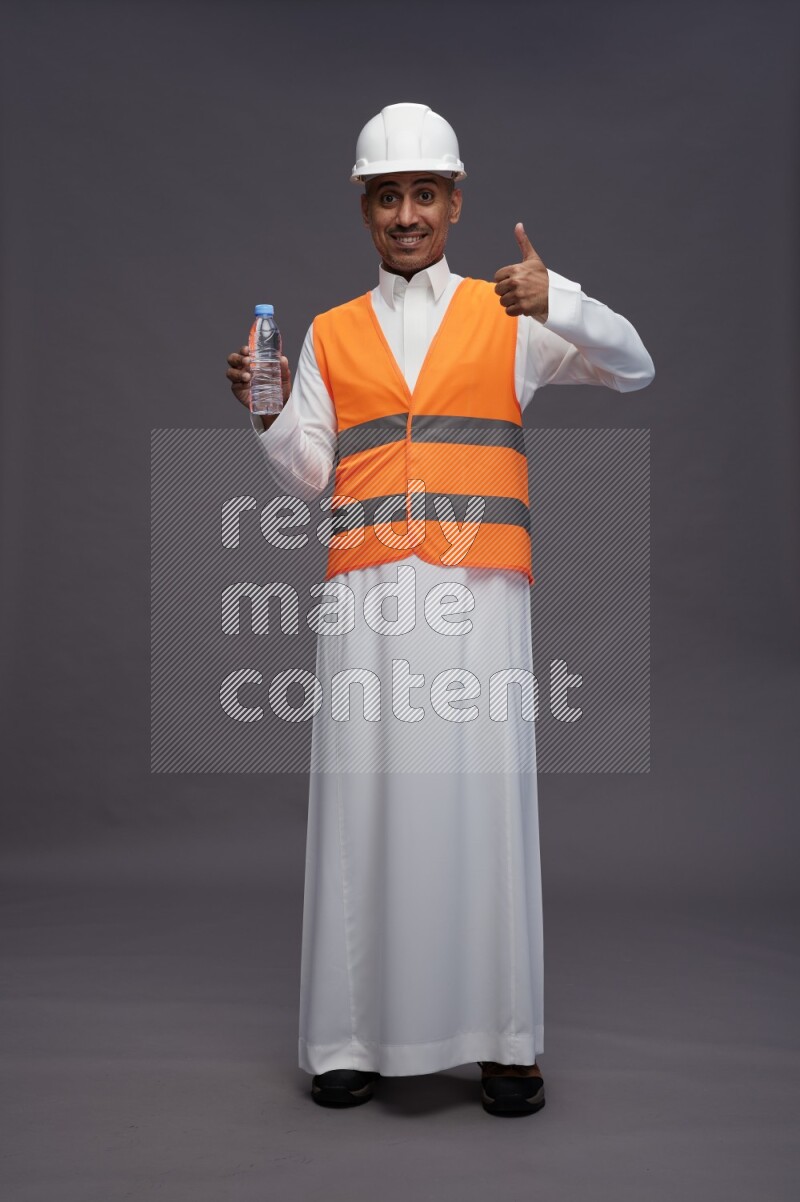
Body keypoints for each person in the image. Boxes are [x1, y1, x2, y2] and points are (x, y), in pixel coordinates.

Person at [226, 102, 655, 1117]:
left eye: (424, 193)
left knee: (482, 803)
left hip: (478, 597)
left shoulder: (513, 314)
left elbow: (633, 365)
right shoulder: (329, 332)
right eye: (387, 196)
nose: (406, 213)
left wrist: (564, 299)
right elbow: (307, 475)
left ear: (455, 203)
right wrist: (269, 405)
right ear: (365, 210)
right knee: (360, 804)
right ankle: (347, 1038)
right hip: (366, 593)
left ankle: (505, 1042)